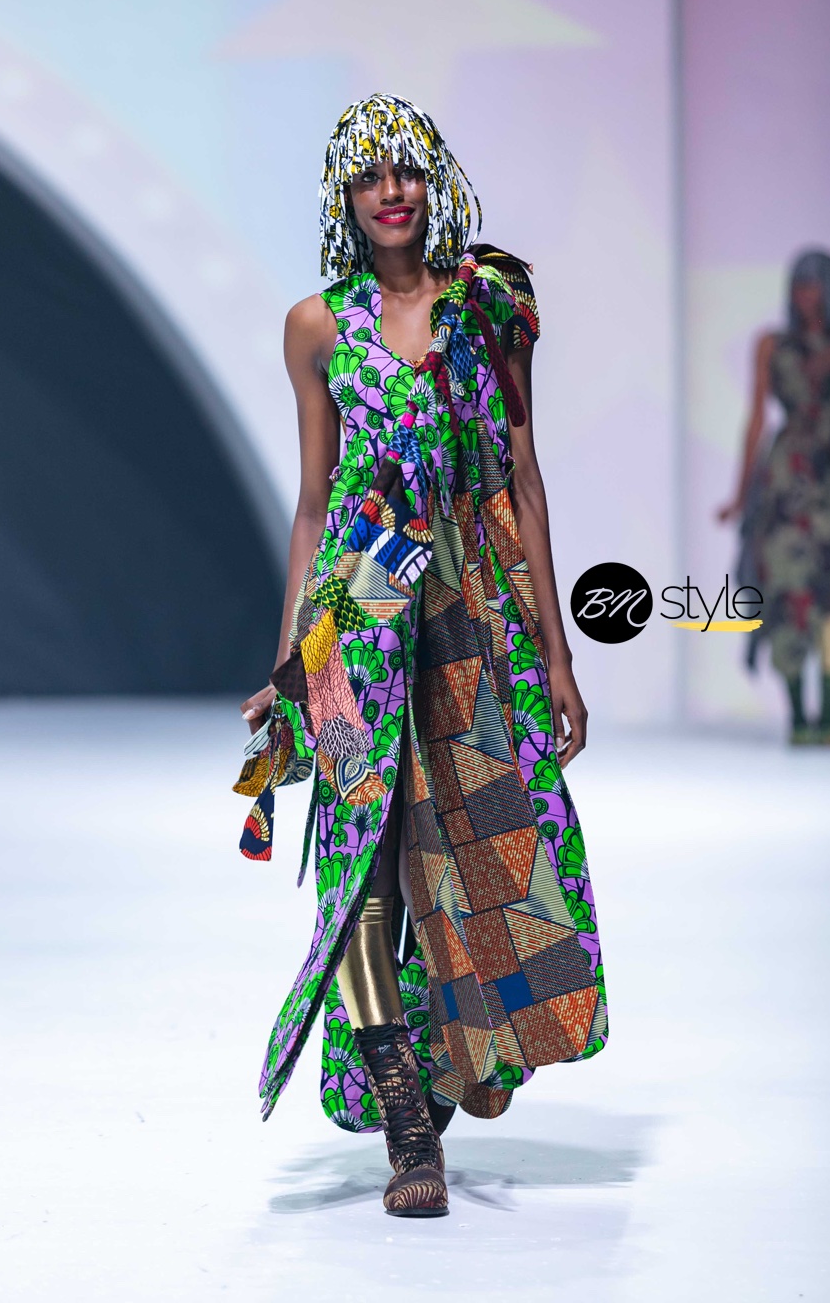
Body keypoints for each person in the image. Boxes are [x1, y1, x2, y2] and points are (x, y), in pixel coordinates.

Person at [234, 94, 607, 1218]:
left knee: (469, 843)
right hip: (359, 604)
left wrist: (559, 653)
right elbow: (314, 506)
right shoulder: (316, 325)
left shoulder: (490, 307)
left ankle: (448, 1065)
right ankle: (404, 1114)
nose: (390, 191)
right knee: (359, 851)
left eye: (404, 170)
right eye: (368, 176)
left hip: (468, 611)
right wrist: (291, 662)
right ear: (343, 197)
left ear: (433, 178)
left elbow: (522, 480)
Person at [717, 250, 830, 745]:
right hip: (783, 483)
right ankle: (799, 717)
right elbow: (756, 419)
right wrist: (740, 495)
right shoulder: (772, 345)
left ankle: (828, 720)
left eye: (814, 284)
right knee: (785, 596)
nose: (805, 294)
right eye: (798, 284)